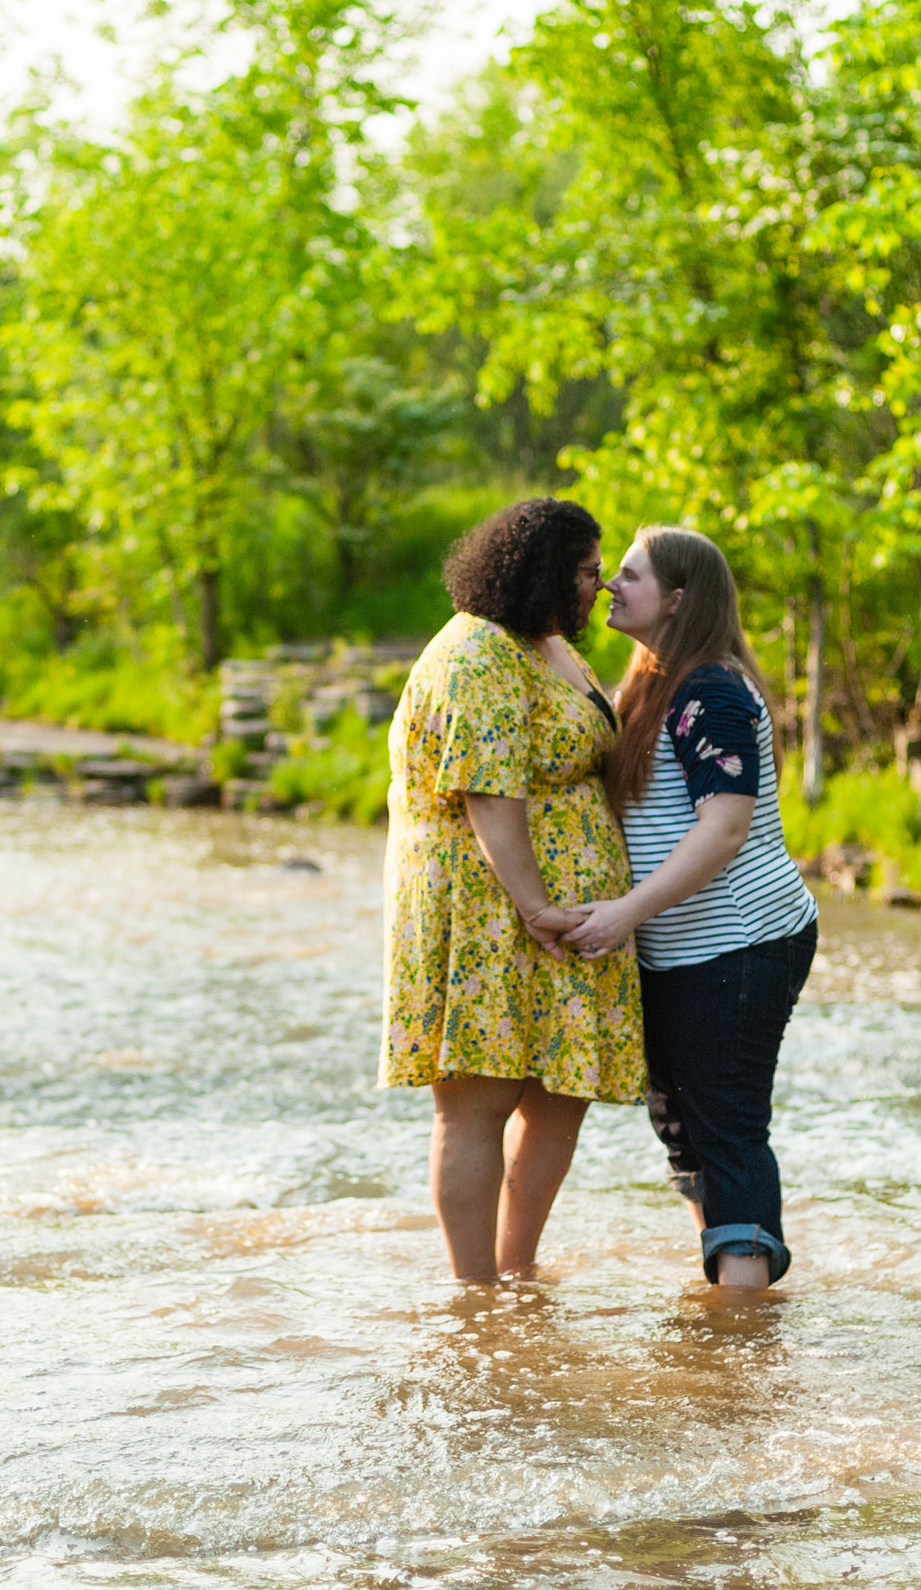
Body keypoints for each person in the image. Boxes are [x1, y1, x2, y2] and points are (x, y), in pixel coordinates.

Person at [380, 497, 646, 1282]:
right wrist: (535, 907)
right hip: (488, 914)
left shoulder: (545, 646)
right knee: (478, 1102)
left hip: (562, 918)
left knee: (562, 1090)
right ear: (543, 573)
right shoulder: (477, 656)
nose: (600, 587)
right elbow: (489, 796)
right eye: (589, 571)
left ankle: (518, 1274)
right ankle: (474, 1293)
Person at [560, 527, 820, 1289]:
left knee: (727, 1132)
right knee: (684, 1133)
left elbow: (726, 830)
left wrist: (622, 914)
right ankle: (728, 1311)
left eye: (630, 576)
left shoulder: (710, 689)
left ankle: (742, 1346)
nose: (611, 586)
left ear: (678, 598)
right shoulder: (649, 685)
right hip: (680, 949)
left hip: (740, 944)